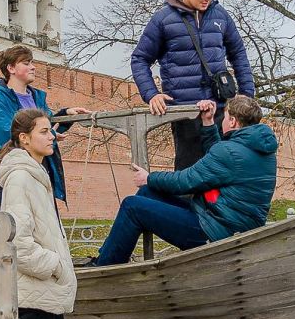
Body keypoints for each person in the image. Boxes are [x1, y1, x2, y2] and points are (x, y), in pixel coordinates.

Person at [86, 96, 277, 266]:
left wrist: (149, 178)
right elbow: (221, 159)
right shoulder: (260, 149)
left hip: (216, 233)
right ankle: (111, 256)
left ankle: (105, 267)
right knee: (147, 193)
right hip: (227, 222)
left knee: (132, 206)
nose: (223, 121)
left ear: (233, 121)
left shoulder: (230, 152)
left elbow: (185, 181)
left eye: (225, 117)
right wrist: (208, 122)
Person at [130, 0, 255, 170]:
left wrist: (246, 95)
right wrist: (151, 94)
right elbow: (140, 59)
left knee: (226, 171)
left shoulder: (221, 16)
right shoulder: (163, 19)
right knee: (189, 175)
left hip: (220, 109)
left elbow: (239, 54)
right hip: (185, 112)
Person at [0, 108, 77, 319]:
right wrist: (55, 265)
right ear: (24, 139)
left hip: (47, 292)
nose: (51, 136)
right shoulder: (20, 179)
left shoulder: (37, 175)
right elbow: (17, 242)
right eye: (44, 131)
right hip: (35, 292)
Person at [0, 45, 89, 210]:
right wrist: (47, 133)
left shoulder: (36, 96)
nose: (33, 67)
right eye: (26, 63)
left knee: (43, 214)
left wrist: (65, 114)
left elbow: (45, 124)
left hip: (38, 162)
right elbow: (5, 132)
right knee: (12, 220)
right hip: (7, 162)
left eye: (32, 62)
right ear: (11, 68)